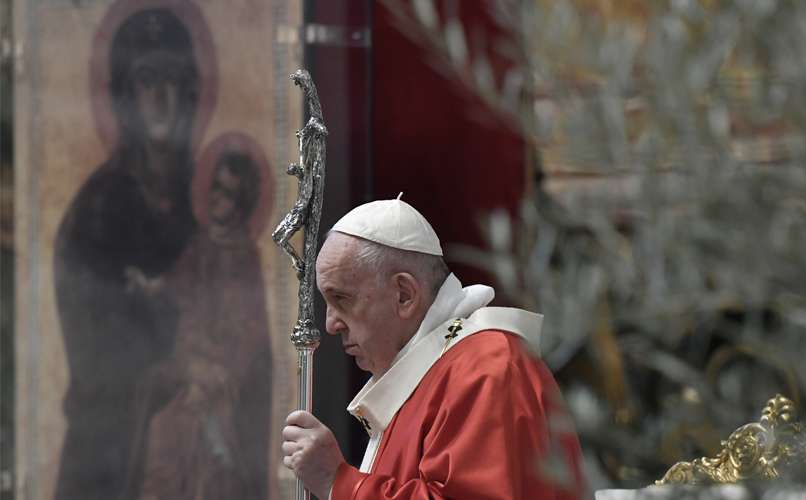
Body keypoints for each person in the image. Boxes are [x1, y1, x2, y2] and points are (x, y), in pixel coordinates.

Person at [281, 197, 585, 499]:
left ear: (404, 295)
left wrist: (339, 483)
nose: (331, 324)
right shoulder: (435, 371)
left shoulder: (485, 368)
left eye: (342, 300)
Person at [53, 7, 201, 499]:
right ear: (125, 97)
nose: (162, 96)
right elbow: (99, 363)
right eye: (147, 79)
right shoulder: (96, 215)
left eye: (174, 79)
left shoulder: (210, 199)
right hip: (111, 461)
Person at [122, 150, 272, 500]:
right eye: (215, 188)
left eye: (229, 193)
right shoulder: (200, 244)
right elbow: (175, 282)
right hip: (189, 360)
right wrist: (147, 285)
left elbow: (249, 330)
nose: (218, 199)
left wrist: (216, 371)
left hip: (222, 373)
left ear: (242, 204)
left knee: (186, 438)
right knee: (153, 410)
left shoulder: (243, 256)